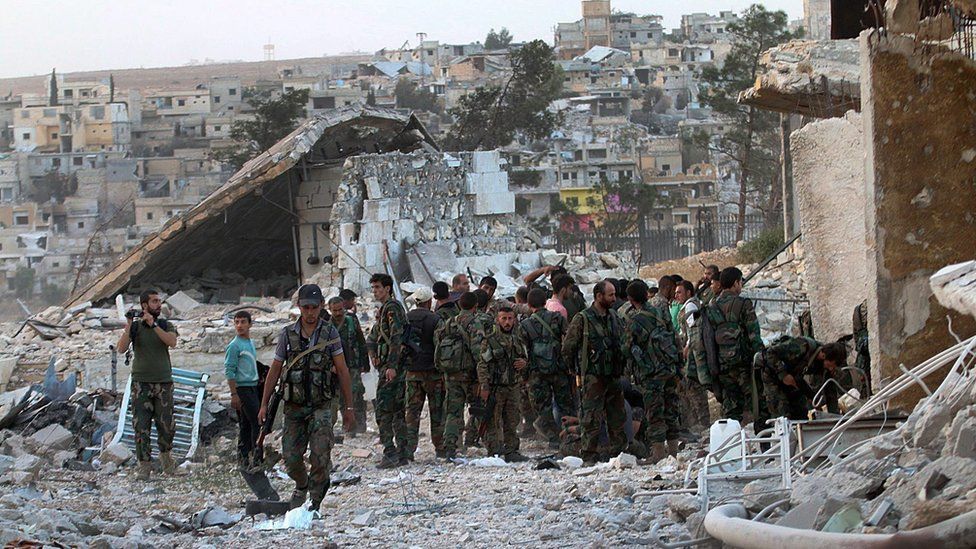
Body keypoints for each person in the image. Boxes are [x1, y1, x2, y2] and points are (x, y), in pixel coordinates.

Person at [258, 284, 355, 511]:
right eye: (305, 308)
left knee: (321, 455)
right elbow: (274, 370)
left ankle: (314, 503)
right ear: (299, 307)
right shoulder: (287, 334)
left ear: (321, 306)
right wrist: (264, 404)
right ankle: (302, 485)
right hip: (294, 407)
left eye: (313, 307)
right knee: (291, 458)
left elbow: (342, 370)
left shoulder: (330, 333)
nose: (309, 312)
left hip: (321, 405)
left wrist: (349, 409)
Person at [116, 289, 179, 481]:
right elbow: (121, 349)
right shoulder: (136, 328)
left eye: (159, 301)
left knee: (166, 424)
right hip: (141, 383)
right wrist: (129, 325)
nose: (158, 305)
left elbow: (172, 342)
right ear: (144, 305)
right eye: (154, 301)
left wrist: (154, 326)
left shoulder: (164, 324)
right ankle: (144, 465)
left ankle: (166, 459)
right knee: (141, 426)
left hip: (163, 382)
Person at [562, 280, 627, 463]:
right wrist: (576, 371)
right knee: (590, 419)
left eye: (614, 294)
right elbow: (568, 348)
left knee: (617, 416)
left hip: (613, 375)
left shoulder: (614, 317)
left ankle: (618, 453)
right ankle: (589, 454)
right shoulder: (583, 319)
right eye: (610, 295)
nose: (614, 298)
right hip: (592, 377)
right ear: (599, 296)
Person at [625, 280, 683, 461]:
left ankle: (657, 453)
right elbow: (675, 339)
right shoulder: (661, 313)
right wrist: (679, 366)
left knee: (655, 413)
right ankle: (674, 452)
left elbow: (625, 348)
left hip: (651, 374)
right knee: (671, 410)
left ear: (630, 299)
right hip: (670, 368)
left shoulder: (634, 320)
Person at [225, 310, 279, 500]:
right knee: (257, 422)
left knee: (248, 424)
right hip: (243, 389)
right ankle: (256, 457)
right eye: (236, 322)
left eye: (243, 322)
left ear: (250, 324)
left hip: (252, 387)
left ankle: (246, 456)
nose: (239, 325)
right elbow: (230, 371)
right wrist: (234, 394)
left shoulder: (248, 343)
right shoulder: (234, 346)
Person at [706, 267, 767, 429]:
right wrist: (761, 357)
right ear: (735, 283)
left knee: (731, 409)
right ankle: (761, 443)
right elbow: (754, 334)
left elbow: (707, 339)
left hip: (722, 365)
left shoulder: (711, 306)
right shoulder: (743, 304)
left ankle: (732, 443)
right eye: (741, 282)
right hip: (744, 364)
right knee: (757, 403)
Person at [366, 273, 411, 469]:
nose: (375, 291)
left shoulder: (392, 308)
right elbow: (373, 337)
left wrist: (391, 365)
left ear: (387, 288)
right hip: (388, 365)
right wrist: (374, 353)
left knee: (384, 410)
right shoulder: (384, 309)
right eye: (373, 287)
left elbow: (396, 337)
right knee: (396, 410)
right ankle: (401, 452)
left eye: (378, 287)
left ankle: (391, 452)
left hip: (393, 368)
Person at [434, 291, 485, 460]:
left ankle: (450, 447)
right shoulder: (475, 322)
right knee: (478, 408)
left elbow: (439, 342)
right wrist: (482, 377)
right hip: (470, 375)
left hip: (451, 374)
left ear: (459, 305)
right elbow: (479, 352)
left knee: (452, 412)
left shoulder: (450, 322)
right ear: (475, 306)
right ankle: (477, 440)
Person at [521, 288, 573, 449]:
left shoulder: (525, 324)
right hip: (559, 369)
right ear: (545, 302)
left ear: (529, 305)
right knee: (565, 405)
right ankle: (569, 436)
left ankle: (553, 437)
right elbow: (569, 339)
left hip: (537, 373)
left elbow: (523, 352)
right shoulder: (557, 318)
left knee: (543, 408)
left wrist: (525, 375)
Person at [477, 306, 529, 462]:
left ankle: (512, 450)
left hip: (513, 386)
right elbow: (482, 364)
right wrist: (484, 386)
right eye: (503, 319)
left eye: (510, 318)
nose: (507, 322)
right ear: (497, 320)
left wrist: (524, 363)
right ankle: (494, 450)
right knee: (493, 419)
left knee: (512, 419)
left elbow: (525, 358)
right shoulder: (490, 340)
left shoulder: (518, 339)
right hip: (496, 387)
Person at [403, 287, 446, 460]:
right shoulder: (436, 319)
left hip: (412, 372)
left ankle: (408, 450)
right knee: (437, 412)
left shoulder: (406, 318)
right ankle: (440, 448)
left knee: (412, 413)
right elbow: (440, 346)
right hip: (432, 373)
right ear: (429, 302)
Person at [760, 337, 847, 419]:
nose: (831, 368)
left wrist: (834, 417)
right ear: (824, 355)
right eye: (831, 365)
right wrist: (783, 374)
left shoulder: (825, 366)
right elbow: (770, 353)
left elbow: (830, 390)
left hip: (794, 379)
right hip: (773, 376)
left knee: (800, 413)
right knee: (781, 414)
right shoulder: (803, 346)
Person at [326, 297, 368, 434]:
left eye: (340, 310)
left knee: (357, 393)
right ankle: (348, 425)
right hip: (337, 367)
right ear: (330, 310)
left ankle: (361, 424)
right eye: (335, 310)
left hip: (353, 364)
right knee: (342, 397)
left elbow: (361, 341)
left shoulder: (351, 321)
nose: (338, 313)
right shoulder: (327, 326)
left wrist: (365, 362)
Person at [674, 281, 711, 432]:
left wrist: (687, 347)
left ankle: (702, 421)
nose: (676, 295)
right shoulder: (689, 305)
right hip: (691, 349)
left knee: (695, 385)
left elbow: (693, 328)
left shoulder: (691, 306)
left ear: (688, 292)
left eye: (680, 292)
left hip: (693, 351)